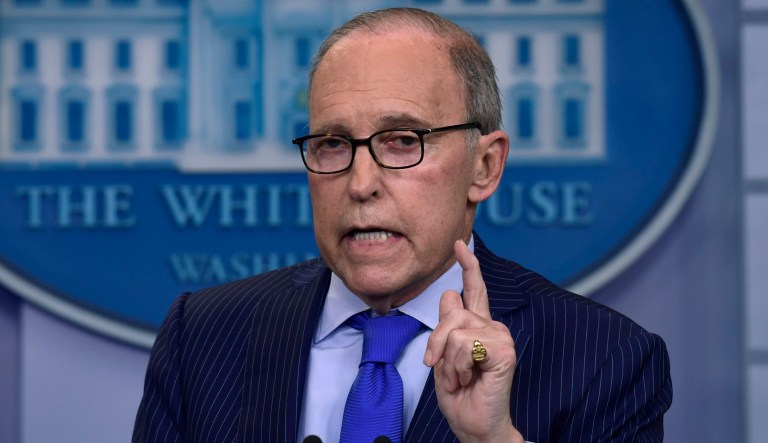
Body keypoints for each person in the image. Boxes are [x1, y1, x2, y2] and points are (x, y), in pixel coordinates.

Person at [133, 7, 672, 443]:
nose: (360, 182)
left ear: (484, 167)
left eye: (402, 142)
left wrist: (495, 441)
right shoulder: (200, 336)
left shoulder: (604, 358)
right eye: (333, 144)